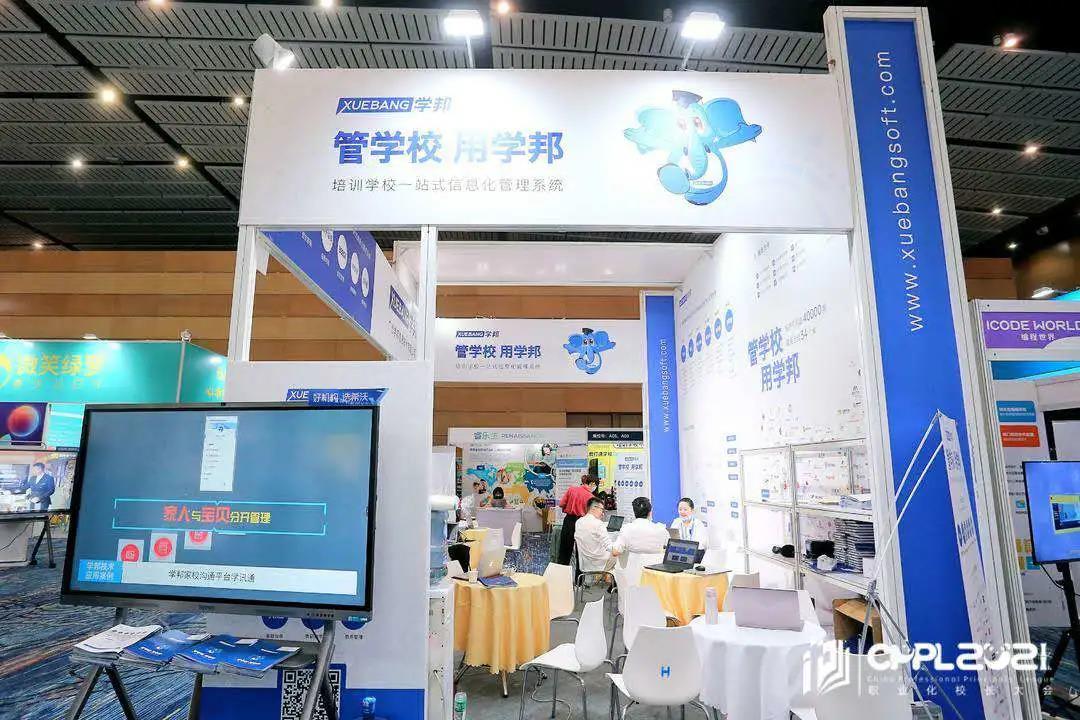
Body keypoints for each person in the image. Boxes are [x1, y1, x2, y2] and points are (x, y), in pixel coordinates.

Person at [556, 474, 598, 565]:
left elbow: (561, 504)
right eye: (596, 485)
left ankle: (562, 570)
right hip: (582, 523)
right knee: (581, 551)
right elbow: (592, 515)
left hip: (569, 520)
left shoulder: (571, 489)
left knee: (565, 549)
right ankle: (579, 573)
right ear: (592, 483)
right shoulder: (591, 497)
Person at [574, 497, 614, 572]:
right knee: (619, 555)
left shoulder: (578, 522)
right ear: (594, 508)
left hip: (584, 565)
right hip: (599, 563)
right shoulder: (598, 524)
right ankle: (606, 576)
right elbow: (609, 546)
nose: (602, 513)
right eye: (601, 509)